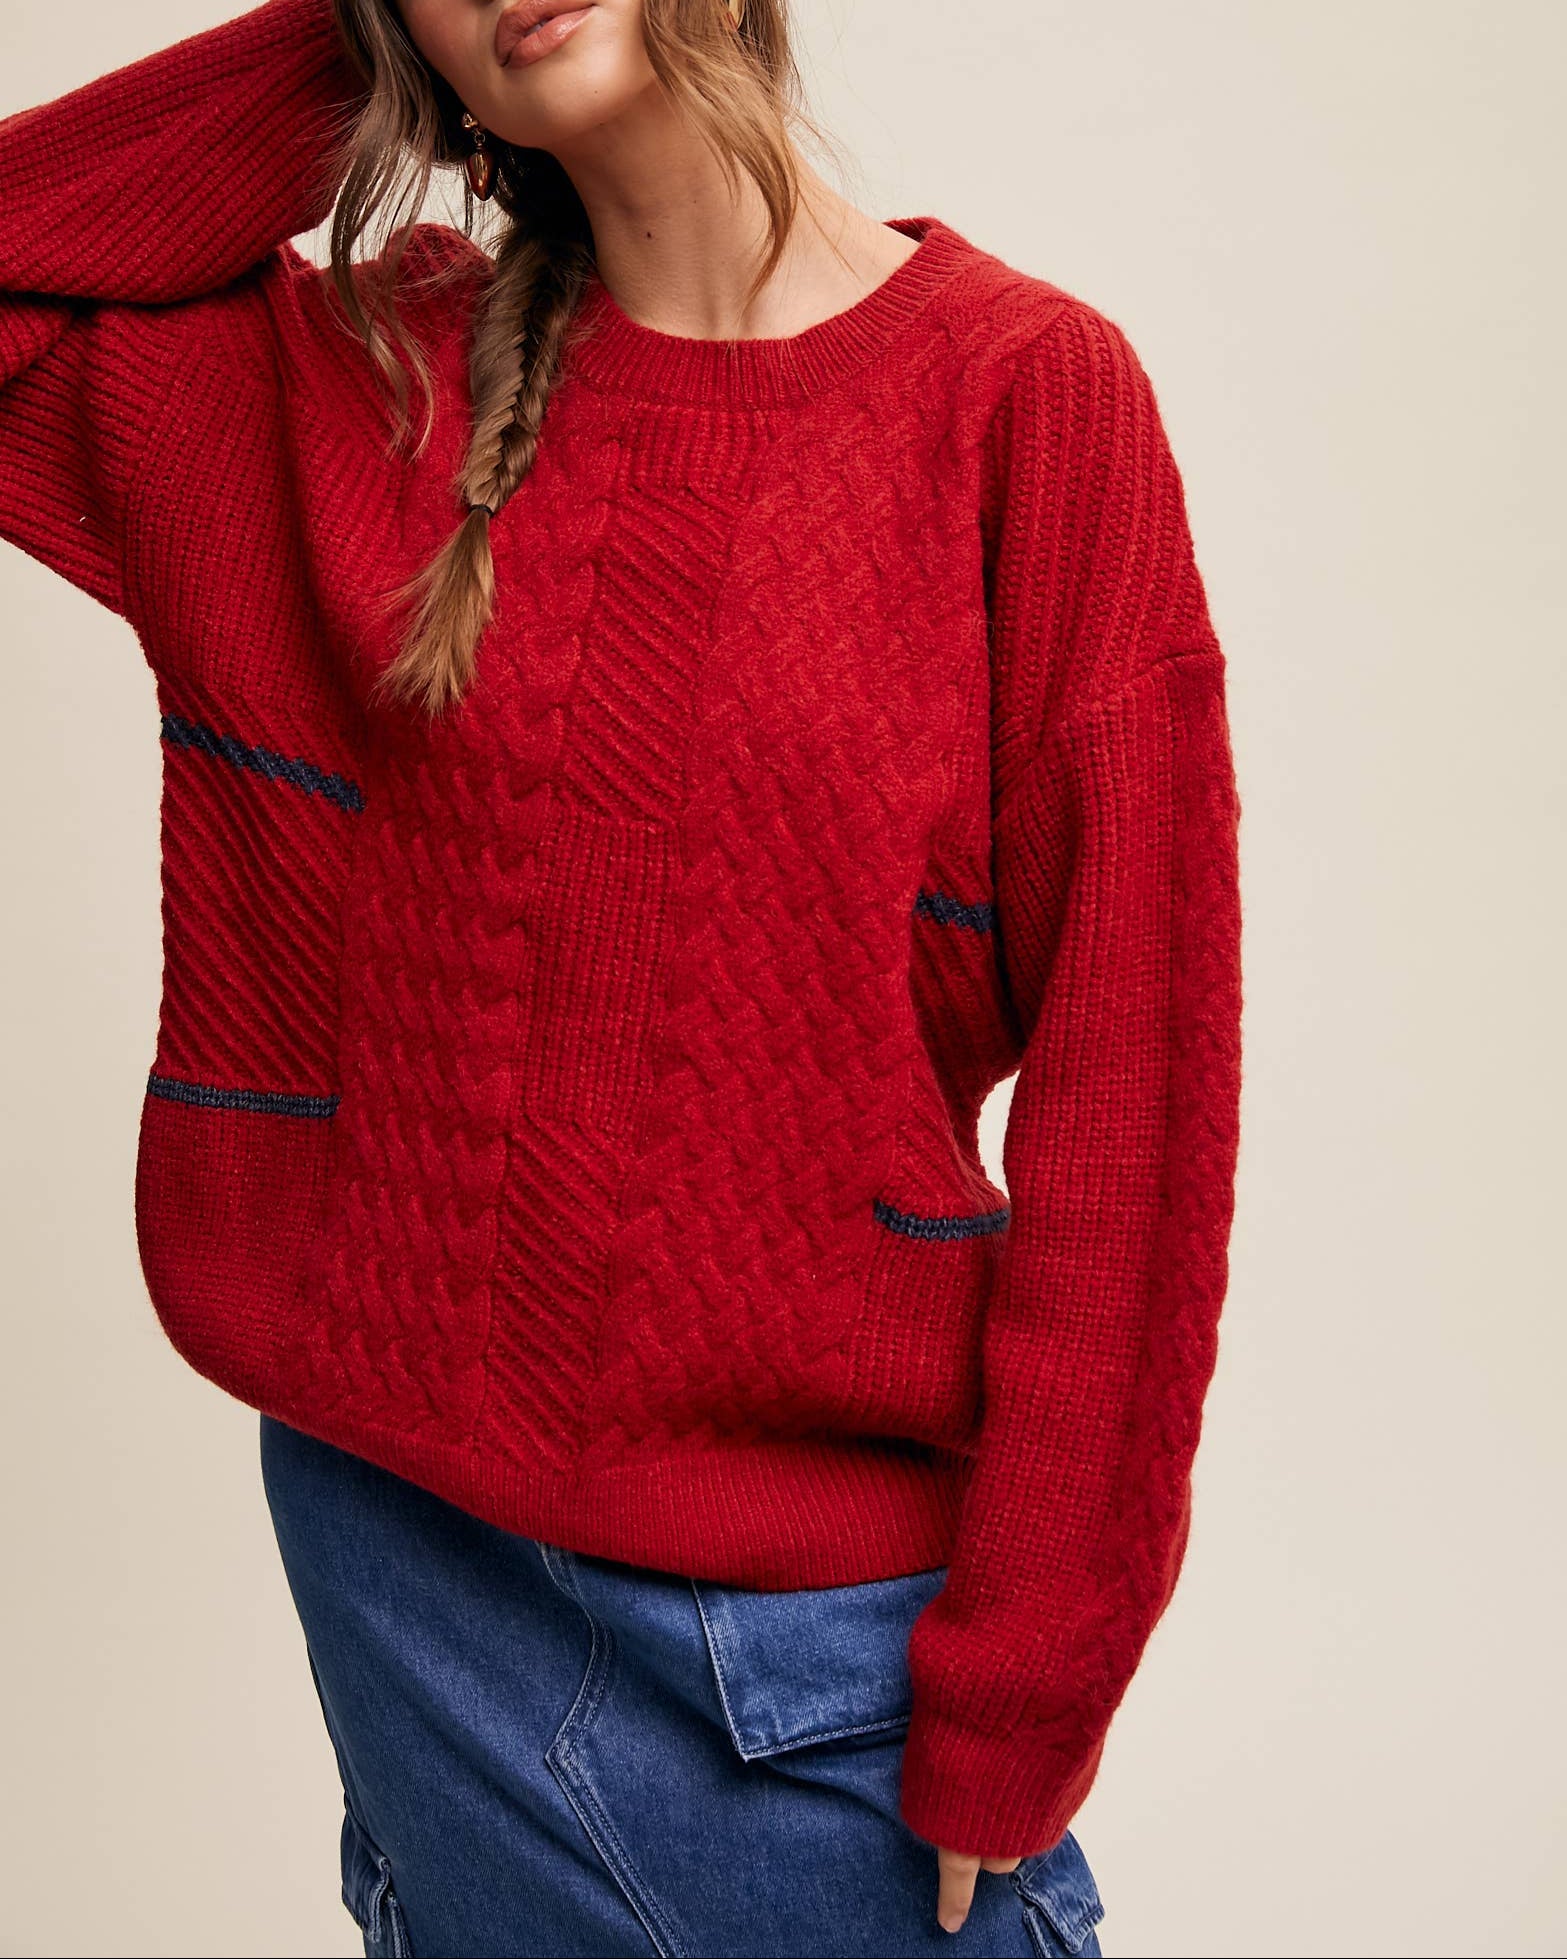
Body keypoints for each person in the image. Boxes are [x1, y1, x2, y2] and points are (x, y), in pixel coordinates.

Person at [0, 0, 1243, 1951]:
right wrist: (368, 51)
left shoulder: (1021, 401)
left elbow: (1135, 1097)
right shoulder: (377, 381)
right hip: (412, 1599)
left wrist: (1021, 1696)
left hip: (790, 1676)